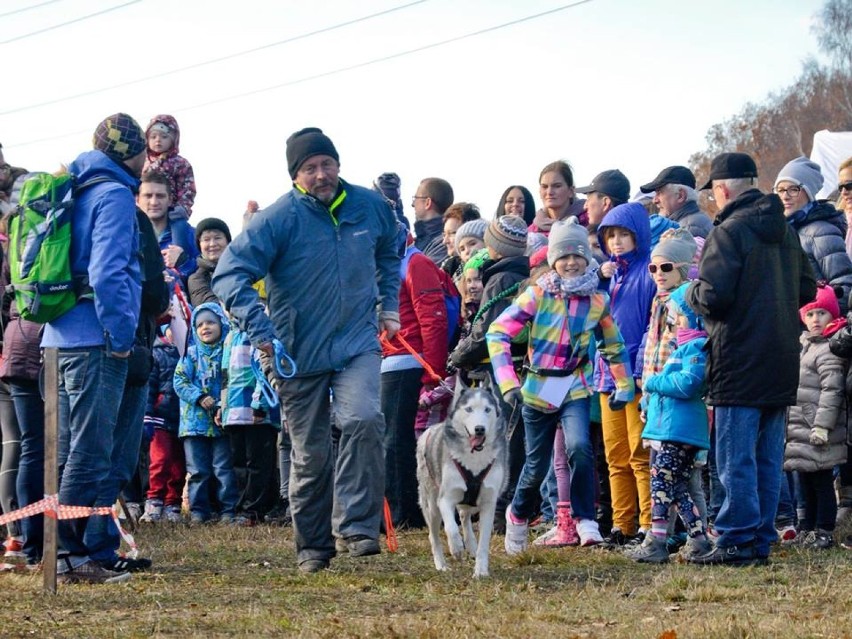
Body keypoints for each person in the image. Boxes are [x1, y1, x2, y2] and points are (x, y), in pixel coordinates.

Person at [212, 127, 400, 573]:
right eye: (309, 168)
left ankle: (356, 526)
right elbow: (228, 275)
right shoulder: (276, 219)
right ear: (296, 175)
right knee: (311, 453)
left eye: (326, 164)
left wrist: (388, 304)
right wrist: (261, 330)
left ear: (338, 164)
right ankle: (313, 547)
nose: (321, 174)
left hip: (356, 342)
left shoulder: (371, 207)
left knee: (364, 419)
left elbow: (391, 251)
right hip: (294, 349)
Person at [686, 152, 816, 566]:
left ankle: (737, 540)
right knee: (765, 458)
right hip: (780, 359)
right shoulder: (785, 230)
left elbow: (712, 296)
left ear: (723, 189)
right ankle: (758, 538)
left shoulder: (729, 232)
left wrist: (688, 292)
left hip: (739, 361)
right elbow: (808, 290)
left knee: (735, 458)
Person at [41, 113, 146, 584]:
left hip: (55, 337)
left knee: (62, 450)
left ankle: (68, 552)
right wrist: (121, 337)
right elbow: (108, 273)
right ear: (132, 153)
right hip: (94, 339)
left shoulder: (72, 189)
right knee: (90, 450)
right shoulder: (115, 195)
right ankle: (74, 556)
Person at [489, 218, 634, 552]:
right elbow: (498, 333)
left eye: (578, 256)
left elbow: (614, 345)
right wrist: (508, 381)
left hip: (575, 386)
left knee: (580, 448)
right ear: (554, 260)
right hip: (538, 389)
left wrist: (623, 383)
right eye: (564, 256)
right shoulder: (537, 295)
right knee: (537, 463)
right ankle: (519, 514)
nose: (571, 262)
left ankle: (585, 519)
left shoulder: (597, 302)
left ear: (588, 259)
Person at [630, 283, 712, 563]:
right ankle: (697, 540)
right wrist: (648, 402)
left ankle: (659, 541)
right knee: (672, 485)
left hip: (679, 431)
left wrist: (653, 382)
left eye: (679, 315)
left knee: (663, 485)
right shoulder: (683, 348)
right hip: (669, 428)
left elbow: (688, 383)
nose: (674, 321)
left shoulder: (696, 348)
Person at [595, 201, 656, 549]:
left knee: (639, 452)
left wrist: (636, 372)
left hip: (633, 377)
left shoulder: (648, 273)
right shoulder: (608, 276)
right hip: (606, 377)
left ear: (638, 235)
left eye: (623, 234)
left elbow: (651, 326)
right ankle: (623, 524)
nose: (616, 242)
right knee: (614, 454)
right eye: (610, 236)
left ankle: (649, 523)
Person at [382, 232, 450, 528]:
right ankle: (399, 510)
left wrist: (432, 371)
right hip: (391, 359)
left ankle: (405, 514)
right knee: (393, 439)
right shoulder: (389, 260)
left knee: (397, 441)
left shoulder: (415, 261)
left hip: (408, 360)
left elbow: (433, 317)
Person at [784, 284, 848, 550]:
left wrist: (822, 425)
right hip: (799, 426)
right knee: (804, 479)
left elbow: (832, 390)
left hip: (817, 427)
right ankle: (806, 527)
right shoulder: (803, 345)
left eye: (822, 313)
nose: (815, 320)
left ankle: (824, 530)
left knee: (821, 481)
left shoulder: (830, 350)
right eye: (810, 314)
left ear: (832, 315)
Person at [173, 303, 239, 524]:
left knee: (223, 468)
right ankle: (199, 511)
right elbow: (179, 382)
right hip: (193, 423)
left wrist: (223, 403)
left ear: (222, 323)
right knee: (198, 470)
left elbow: (234, 380)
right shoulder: (189, 354)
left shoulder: (229, 353)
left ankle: (228, 510)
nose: (205, 328)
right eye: (199, 324)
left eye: (210, 322)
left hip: (223, 421)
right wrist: (200, 397)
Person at [774, 156, 852, 315]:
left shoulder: (820, 231)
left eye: (793, 189)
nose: (785, 196)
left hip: (819, 332)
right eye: (780, 190)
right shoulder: (783, 233)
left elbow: (844, 286)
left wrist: (825, 327)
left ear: (808, 192)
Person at [221, 322, 279, 525]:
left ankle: (253, 510)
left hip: (257, 414)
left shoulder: (259, 330)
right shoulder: (229, 337)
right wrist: (223, 405)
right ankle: (245, 507)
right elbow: (225, 375)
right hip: (234, 413)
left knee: (258, 463)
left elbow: (264, 370)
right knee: (239, 463)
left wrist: (260, 404)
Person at [140, 327, 185, 524]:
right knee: (160, 460)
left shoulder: (189, 353)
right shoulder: (157, 353)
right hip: (160, 417)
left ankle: (172, 503)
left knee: (179, 465)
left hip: (184, 419)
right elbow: (149, 387)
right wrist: (148, 414)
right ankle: (154, 501)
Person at [138, 170, 199, 283]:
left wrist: (184, 262)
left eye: (160, 196)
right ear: (137, 199)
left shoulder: (192, 236)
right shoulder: (126, 237)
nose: (154, 202)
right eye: (148, 196)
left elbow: (208, 277)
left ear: (170, 200)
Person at [143, 114, 196, 219]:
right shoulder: (142, 162)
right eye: (153, 137)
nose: (158, 140)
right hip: (145, 211)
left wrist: (183, 207)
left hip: (173, 212)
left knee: (179, 229)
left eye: (164, 137)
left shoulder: (180, 163)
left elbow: (188, 188)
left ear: (173, 140)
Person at [640, 166, 713, 239]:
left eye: (659, 193)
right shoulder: (693, 223)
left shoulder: (686, 231)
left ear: (680, 195)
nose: (654, 200)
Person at [530, 161, 586, 234]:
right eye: (544, 187)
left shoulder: (589, 222)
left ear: (571, 191)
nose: (549, 192)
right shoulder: (531, 232)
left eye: (557, 186)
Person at [188, 218, 232, 307]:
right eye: (206, 239)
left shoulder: (242, 269)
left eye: (217, 238)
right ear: (199, 245)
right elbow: (212, 309)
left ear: (228, 242)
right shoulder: (196, 279)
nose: (212, 244)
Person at [412, 177, 454, 264]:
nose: (412, 204)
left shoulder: (444, 244)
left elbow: (422, 274)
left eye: (415, 198)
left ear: (427, 203)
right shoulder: (419, 241)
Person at [440, 202, 481, 278]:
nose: (445, 241)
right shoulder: (448, 266)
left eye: (452, 233)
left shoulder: (486, 269)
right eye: (444, 235)